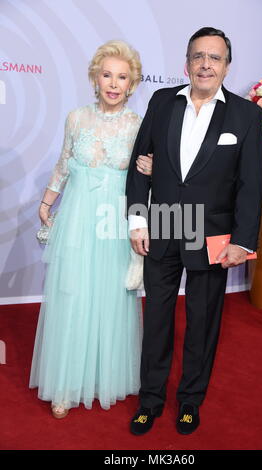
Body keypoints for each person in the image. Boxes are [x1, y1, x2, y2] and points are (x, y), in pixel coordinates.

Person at [126, 27, 262, 435]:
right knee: (157, 321)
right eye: (198, 56)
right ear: (186, 64)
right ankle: (149, 399)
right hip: (164, 225)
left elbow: (251, 185)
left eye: (215, 58)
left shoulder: (245, 114)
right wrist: (137, 219)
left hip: (214, 237)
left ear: (226, 66)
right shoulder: (162, 101)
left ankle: (190, 400)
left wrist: (243, 240)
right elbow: (140, 165)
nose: (206, 64)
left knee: (203, 323)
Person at [29, 40, 153, 419]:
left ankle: (104, 378)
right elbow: (64, 163)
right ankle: (65, 385)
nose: (113, 84)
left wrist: (152, 170)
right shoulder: (75, 118)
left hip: (113, 224)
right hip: (78, 220)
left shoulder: (137, 124)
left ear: (131, 84)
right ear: (94, 77)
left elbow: (146, 178)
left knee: (111, 300)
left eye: (122, 77)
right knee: (72, 297)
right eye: (107, 75)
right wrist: (48, 201)